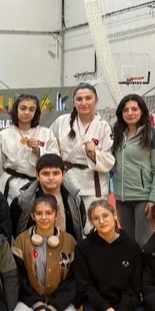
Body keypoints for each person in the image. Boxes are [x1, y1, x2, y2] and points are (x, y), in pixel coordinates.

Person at [73, 199, 147, 311]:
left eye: (105, 216)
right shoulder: (83, 248)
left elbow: (135, 284)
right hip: (98, 303)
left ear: (114, 216)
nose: (101, 221)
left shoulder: (131, 246)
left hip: (125, 302)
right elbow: (85, 285)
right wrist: (105, 308)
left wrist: (124, 309)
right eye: (96, 218)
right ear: (91, 222)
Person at [11, 195, 84, 311]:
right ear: (32, 216)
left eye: (49, 213)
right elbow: (19, 278)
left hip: (60, 300)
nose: (44, 217)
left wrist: (55, 306)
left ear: (56, 215)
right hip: (30, 298)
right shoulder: (21, 241)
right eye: (39, 213)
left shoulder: (69, 241)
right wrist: (36, 305)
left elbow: (72, 280)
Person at [49, 83, 114, 220]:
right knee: (68, 222)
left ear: (96, 100)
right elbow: (50, 146)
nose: (84, 103)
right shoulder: (61, 122)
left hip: (94, 184)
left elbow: (109, 159)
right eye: (79, 99)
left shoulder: (104, 126)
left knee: (95, 222)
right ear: (73, 102)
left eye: (88, 98)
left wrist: (94, 154)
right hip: (67, 180)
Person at [111, 94, 155, 247]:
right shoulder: (117, 136)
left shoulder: (154, 136)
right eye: (126, 110)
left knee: (144, 243)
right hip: (122, 199)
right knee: (128, 242)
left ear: (142, 111)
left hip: (144, 199)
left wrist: (154, 199)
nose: (130, 113)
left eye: (134, 109)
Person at [10, 153, 86, 242]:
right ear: (37, 175)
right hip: (33, 247)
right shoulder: (23, 201)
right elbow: (15, 228)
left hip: (67, 247)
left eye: (56, 173)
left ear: (63, 175)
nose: (51, 178)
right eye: (45, 174)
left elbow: (80, 224)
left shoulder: (74, 198)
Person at [0, 94, 58, 203]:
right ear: (16, 110)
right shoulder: (4, 135)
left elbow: (56, 159)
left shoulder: (46, 133)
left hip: (37, 183)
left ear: (36, 112)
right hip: (11, 183)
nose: (27, 112)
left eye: (31, 109)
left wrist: (39, 151)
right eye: (23, 108)